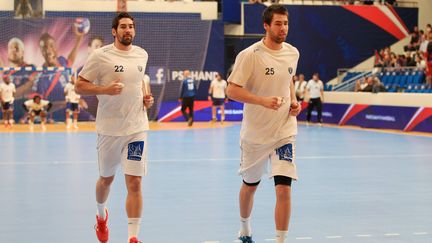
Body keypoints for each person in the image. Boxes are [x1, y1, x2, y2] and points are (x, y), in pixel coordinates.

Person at [75, 12, 154, 243]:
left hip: (137, 128)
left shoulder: (142, 54)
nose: (128, 30)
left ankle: (133, 237)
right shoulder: (100, 56)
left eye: (131, 26)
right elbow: (80, 85)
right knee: (106, 180)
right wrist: (105, 90)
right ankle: (101, 216)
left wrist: (145, 99)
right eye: (123, 27)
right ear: (114, 31)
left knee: (135, 182)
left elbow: (138, 82)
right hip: (109, 129)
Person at [226, 5, 301, 243]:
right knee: (250, 185)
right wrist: (262, 101)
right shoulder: (250, 55)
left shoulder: (293, 53)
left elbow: (288, 78)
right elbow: (231, 90)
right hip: (256, 134)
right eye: (278, 24)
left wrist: (294, 100)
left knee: (284, 188)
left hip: (284, 131)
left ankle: (281, 239)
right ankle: (245, 228)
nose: (283, 28)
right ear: (266, 26)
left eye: (286, 23)